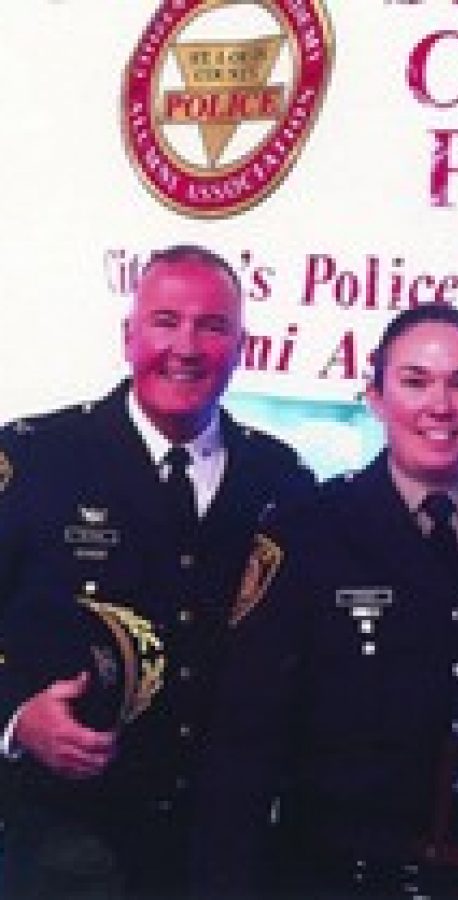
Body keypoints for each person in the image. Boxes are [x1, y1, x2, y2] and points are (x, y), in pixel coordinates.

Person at [195, 303, 458, 898]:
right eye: (414, 382)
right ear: (375, 398)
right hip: (336, 882)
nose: (439, 406)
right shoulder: (305, 534)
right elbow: (243, 738)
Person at [0, 244, 314, 899]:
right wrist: (15, 718)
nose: (187, 346)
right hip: (64, 845)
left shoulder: (282, 481)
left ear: (241, 347)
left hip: (225, 855)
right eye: (166, 321)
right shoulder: (32, 462)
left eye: (212, 326)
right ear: (128, 335)